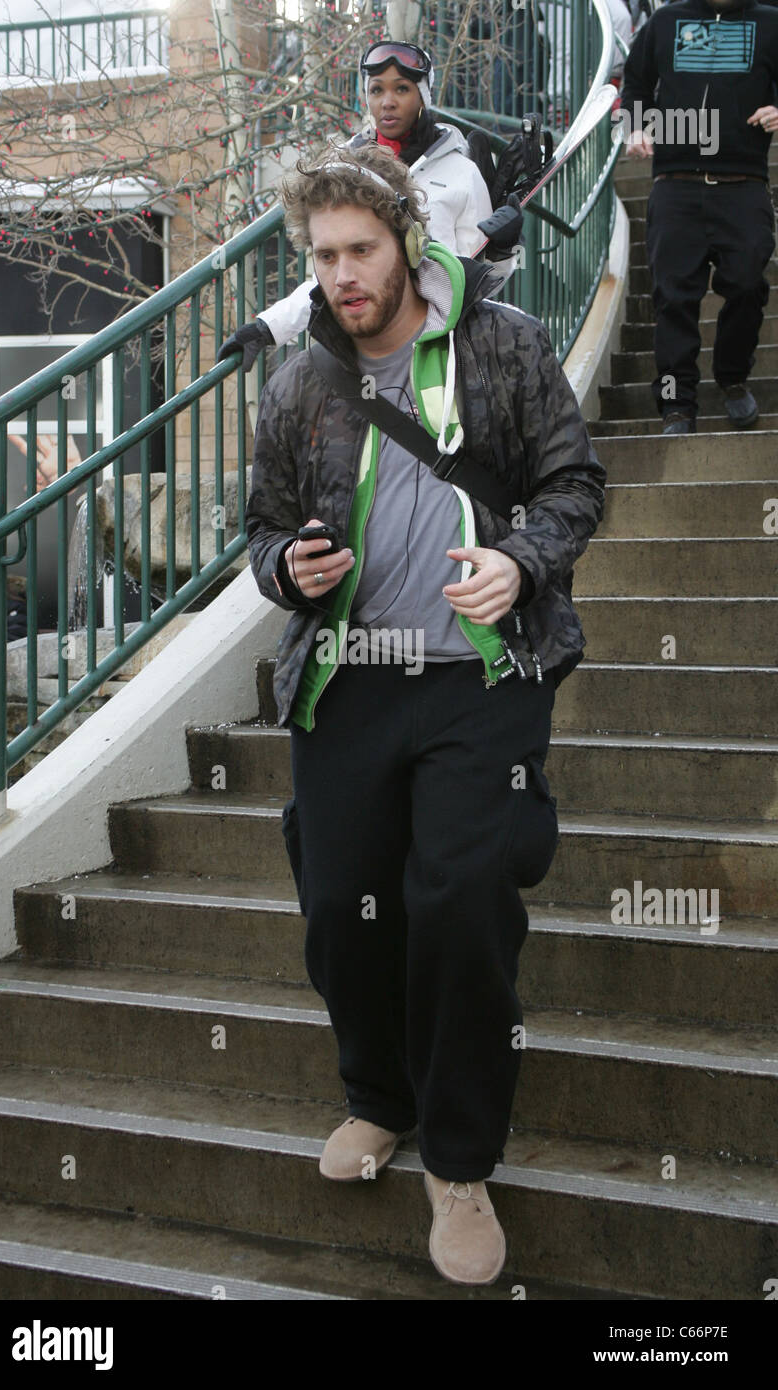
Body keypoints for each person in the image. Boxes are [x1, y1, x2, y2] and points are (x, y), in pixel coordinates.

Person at [245, 143, 606, 1286]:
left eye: (361, 250)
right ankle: (379, 1094)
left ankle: (459, 1160)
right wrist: (287, 571)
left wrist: (520, 560)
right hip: (347, 681)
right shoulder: (298, 381)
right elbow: (258, 532)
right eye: (323, 257)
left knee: (455, 903)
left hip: (477, 677)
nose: (343, 275)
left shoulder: (504, 344)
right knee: (338, 911)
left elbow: (573, 483)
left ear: (407, 241)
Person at [218, 40, 517, 373]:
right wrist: (269, 326)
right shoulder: (342, 172)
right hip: (370, 353)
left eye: (401, 89)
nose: (387, 102)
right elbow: (335, 278)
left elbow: (480, 281)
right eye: (376, 90)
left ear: (423, 95)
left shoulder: (462, 172)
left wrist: (502, 251)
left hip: (444, 350)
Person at [620, 0, 778, 433]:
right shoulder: (665, 21)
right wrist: (636, 126)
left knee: (747, 285)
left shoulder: (770, 23)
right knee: (672, 300)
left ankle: (732, 377)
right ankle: (676, 403)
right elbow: (635, 85)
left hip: (743, 186)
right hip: (675, 185)